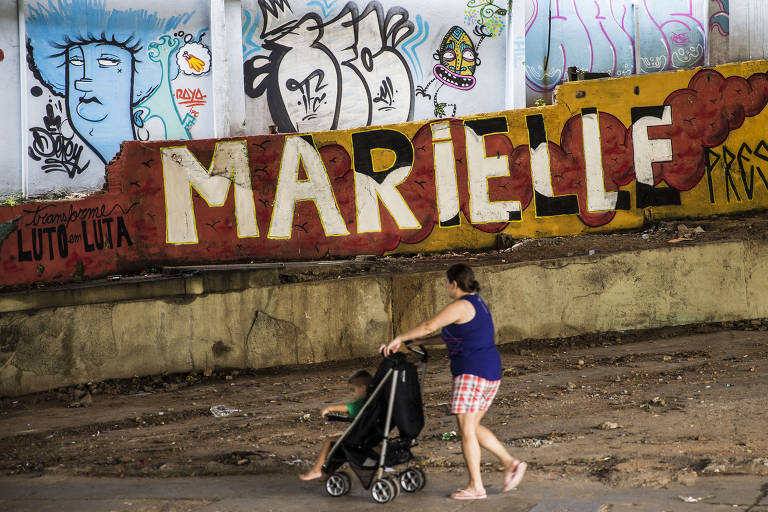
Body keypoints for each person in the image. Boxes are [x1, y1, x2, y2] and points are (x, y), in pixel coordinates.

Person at [379, 263, 526, 500]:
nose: (446, 287)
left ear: (454, 284)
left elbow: (429, 326)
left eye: (447, 283)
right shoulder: (476, 303)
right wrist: (416, 344)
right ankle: (511, 463)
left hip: (472, 372)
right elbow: (448, 336)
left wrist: (399, 338)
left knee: (466, 431)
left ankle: (476, 486)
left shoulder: (461, 305)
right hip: (488, 370)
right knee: (472, 428)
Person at [299, 369, 372, 480]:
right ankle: (328, 472)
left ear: (363, 388)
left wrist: (329, 408)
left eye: (353, 390)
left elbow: (346, 407)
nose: (352, 394)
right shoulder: (373, 402)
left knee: (329, 440)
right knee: (340, 445)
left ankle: (316, 470)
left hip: (359, 439)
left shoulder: (361, 403)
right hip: (371, 437)